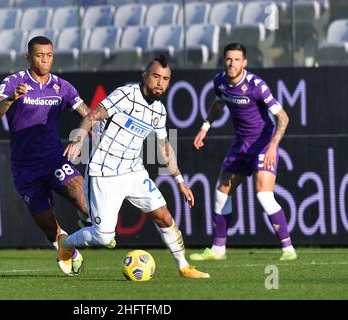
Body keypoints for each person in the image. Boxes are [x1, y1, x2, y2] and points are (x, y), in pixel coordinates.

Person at [62, 55, 210, 279]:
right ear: (144, 76)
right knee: (103, 237)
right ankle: (66, 243)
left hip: (134, 171)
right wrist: (79, 139)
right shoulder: (125, 95)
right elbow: (93, 114)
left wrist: (180, 181)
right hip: (104, 172)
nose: (160, 83)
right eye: (156, 76)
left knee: (164, 216)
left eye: (165, 79)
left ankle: (183, 266)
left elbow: (164, 147)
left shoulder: (159, 111)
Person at [0, 36, 93, 275]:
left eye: (49, 55)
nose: (45, 60)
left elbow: (87, 114)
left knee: (80, 194)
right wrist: (12, 98)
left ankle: (82, 217)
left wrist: (83, 135)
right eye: (39, 55)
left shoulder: (62, 87)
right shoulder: (13, 82)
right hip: (25, 167)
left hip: (53, 158)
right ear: (28, 57)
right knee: (49, 228)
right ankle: (69, 250)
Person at [190, 43, 296, 262]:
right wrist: (205, 127)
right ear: (224, 61)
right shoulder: (219, 81)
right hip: (241, 144)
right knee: (221, 193)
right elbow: (219, 104)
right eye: (229, 59)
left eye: (237, 60)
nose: (232, 64)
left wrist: (273, 147)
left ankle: (288, 249)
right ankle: (218, 250)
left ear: (244, 62)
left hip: (263, 143)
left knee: (264, 195)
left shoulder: (257, 85)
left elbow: (283, 117)